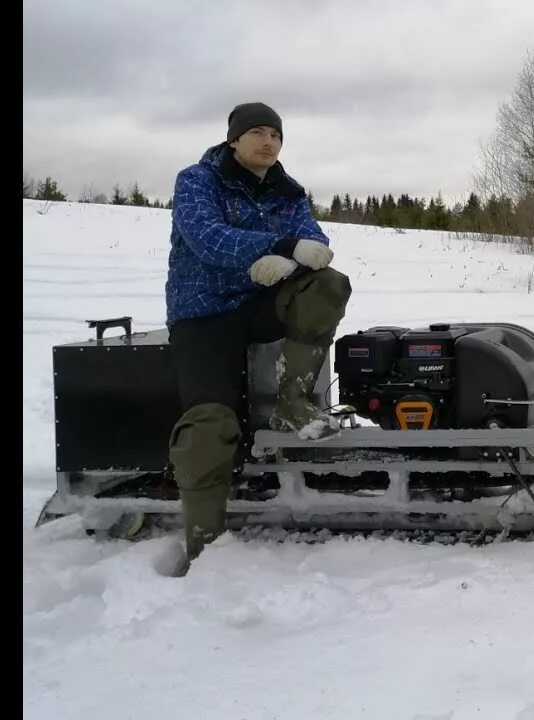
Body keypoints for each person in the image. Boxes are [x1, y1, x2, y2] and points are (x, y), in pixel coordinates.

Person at [163, 102, 352, 570]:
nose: (269, 142)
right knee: (210, 422)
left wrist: (293, 260)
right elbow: (209, 239)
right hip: (203, 311)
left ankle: (294, 404)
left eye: (276, 135)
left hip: (260, 305)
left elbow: (316, 246)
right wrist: (281, 246)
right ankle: (205, 544)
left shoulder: (287, 192)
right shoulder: (196, 180)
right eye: (258, 133)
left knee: (327, 284)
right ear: (234, 139)